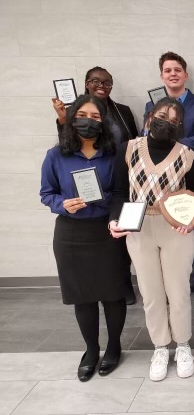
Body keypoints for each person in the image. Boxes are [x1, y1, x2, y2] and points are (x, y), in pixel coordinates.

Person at [109, 98, 194, 382]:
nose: (167, 122)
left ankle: (183, 345)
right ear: (150, 117)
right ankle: (160, 347)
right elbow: (118, 192)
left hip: (176, 229)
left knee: (178, 291)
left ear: (180, 126)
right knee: (151, 292)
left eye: (174, 120)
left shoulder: (187, 154)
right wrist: (114, 220)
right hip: (138, 227)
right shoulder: (129, 148)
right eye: (163, 115)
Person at [41, 95, 130, 382]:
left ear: (104, 122)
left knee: (113, 294)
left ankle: (114, 347)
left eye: (95, 117)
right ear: (72, 117)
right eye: (82, 114)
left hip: (106, 231)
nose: (88, 121)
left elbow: (121, 192)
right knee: (83, 297)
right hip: (70, 234)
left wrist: (112, 214)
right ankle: (91, 350)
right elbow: (47, 193)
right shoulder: (56, 155)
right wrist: (62, 204)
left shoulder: (114, 153)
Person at [52, 66, 138, 305]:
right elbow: (66, 146)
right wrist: (62, 118)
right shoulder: (73, 112)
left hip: (118, 174)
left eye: (107, 82)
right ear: (87, 83)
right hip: (83, 184)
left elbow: (132, 140)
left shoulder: (122, 111)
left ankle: (123, 284)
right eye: (96, 81)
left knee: (119, 239)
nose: (102, 86)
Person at [143, 52, 194, 305]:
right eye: (167, 70)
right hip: (159, 183)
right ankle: (171, 284)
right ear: (162, 75)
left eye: (177, 70)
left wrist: (168, 142)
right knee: (166, 232)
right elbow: (146, 140)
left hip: (192, 177)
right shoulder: (151, 106)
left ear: (185, 74)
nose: (173, 74)